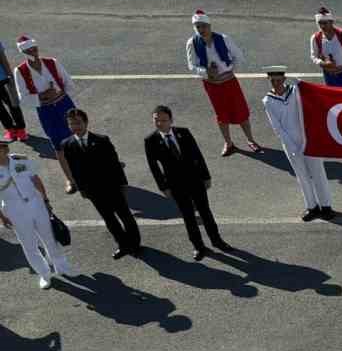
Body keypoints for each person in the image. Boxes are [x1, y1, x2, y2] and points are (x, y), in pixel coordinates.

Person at [144, 105, 228, 260]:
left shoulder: (184, 132)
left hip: (195, 180)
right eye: (156, 120)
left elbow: (197, 154)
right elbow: (154, 167)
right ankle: (198, 246)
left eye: (164, 120)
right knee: (188, 216)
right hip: (175, 185)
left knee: (205, 212)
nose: (160, 123)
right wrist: (163, 187)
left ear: (171, 120)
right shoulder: (150, 141)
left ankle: (217, 240)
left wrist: (206, 176)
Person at [59, 109, 141, 259]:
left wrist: (123, 184)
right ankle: (122, 245)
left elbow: (115, 164)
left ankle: (135, 245)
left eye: (78, 123)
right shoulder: (67, 144)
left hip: (112, 187)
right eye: (71, 124)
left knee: (125, 216)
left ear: (86, 122)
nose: (75, 127)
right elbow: (73, 169)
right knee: (109, 219)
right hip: (93, 191)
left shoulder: (102, 140)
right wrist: (82, 189)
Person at [262, 66, 334, 221]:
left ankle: (326, 206)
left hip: (309, 139)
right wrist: (292, 146)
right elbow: (277, 127)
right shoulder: (268, 100)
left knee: (318, 172)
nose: (276, 84)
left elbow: (309, 91)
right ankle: (312, 206)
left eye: (279, 80)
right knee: (302, 176)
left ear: (284, 79)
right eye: (272, 81)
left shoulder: (296, 92)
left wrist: (297, 81)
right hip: (290, 144)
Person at [185, 10, 259, 156]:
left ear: (209, 25)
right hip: (212, 85)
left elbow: (239, 56)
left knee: (241, 111)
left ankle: (250, 140)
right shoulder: (192, 43)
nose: (201, 29)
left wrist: (230, 70)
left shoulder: (223, 38)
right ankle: (228, 143)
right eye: (198, 27)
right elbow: (192, 65)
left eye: (203, 26)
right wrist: (206, 72)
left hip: (229, 81)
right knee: (221, 114)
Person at [0, 150, 74, 290]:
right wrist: (2, 217)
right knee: (29, 245)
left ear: (5, 150)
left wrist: (45, 199)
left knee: (50, 237)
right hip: (14, 210)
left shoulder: (20, 160)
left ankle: (61, 266)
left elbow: (35, 179)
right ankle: (44, 274)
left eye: (0, 149)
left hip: (36, 203)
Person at [12, 36, 78, 159]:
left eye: (34, 49)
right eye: (29, 51)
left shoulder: (52, 62)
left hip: (64, 104)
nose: (33, 52)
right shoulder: (19, 71)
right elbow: (23, 98)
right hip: (46, 110)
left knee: (76, 132)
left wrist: (60, 95)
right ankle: (69, 164)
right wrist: (43, 96)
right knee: (57, 141)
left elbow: (68, 83)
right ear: (23, 53)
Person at [310, 8, 342, 86]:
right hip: (329, 76)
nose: (322, 26)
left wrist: (340, 69)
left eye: (325, 23)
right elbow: (314, 56)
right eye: (320, 23)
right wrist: (323, 64)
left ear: (331, 22)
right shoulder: (315, 38)